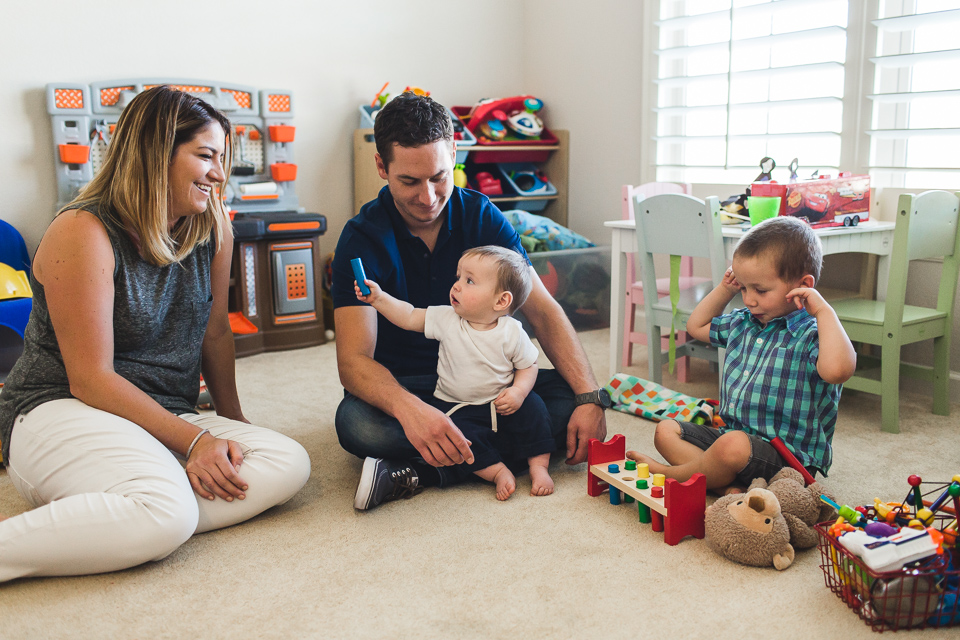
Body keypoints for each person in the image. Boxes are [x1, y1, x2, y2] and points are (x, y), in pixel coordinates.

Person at [0, 86, 310, 583]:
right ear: (155, 153)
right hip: (57, 407)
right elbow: (90, 379)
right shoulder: (82, 230)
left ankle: (126, 510)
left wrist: (231, 423)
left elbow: (215, 333)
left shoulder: (213, 227)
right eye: (206, 155)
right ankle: (144, 510)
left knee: (287, 462)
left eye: (222, 158)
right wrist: (195, 441)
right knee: (169, 513)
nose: (218, 173)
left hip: (159, 414)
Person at [332, 92, 608, 510]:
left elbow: (544, 311)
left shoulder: (482, 216)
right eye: (409, 181)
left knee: (571, 402)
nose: (427, 197)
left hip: (491, 385)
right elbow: (354, 362)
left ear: (455, 154)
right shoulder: (361, 238)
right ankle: (485, 452)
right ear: (381, 167)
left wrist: (589, 397)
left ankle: (425, 469)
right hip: (410, 384)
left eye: (439, 177)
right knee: (357, 426)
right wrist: (411, 411)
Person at [627, 216, 856, 494]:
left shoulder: (813, 334)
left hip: (786, 455)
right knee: (666, 430)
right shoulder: (743, 322)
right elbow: (695, 326)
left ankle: (672, 474)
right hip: (733, 439)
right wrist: (725, 289)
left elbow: (838, 371)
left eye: (760, 290)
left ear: (803, 285)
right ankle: (726, 485)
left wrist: (823, 311)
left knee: (732, 446)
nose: (748, 299)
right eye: (744, 288)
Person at [355, 245, 555, 503]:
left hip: (501, 405)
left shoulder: (511, 331)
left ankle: (538, 467)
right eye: (458, 277)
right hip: (456, 406)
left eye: (469, 280)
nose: (457, 286)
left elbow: (528, 365)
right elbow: (408, 315)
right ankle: (496, 471)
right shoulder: (447, 318)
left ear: (501, 300)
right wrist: (379, 299)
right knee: (456, 436)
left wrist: (518, 392)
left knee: (536, 406)